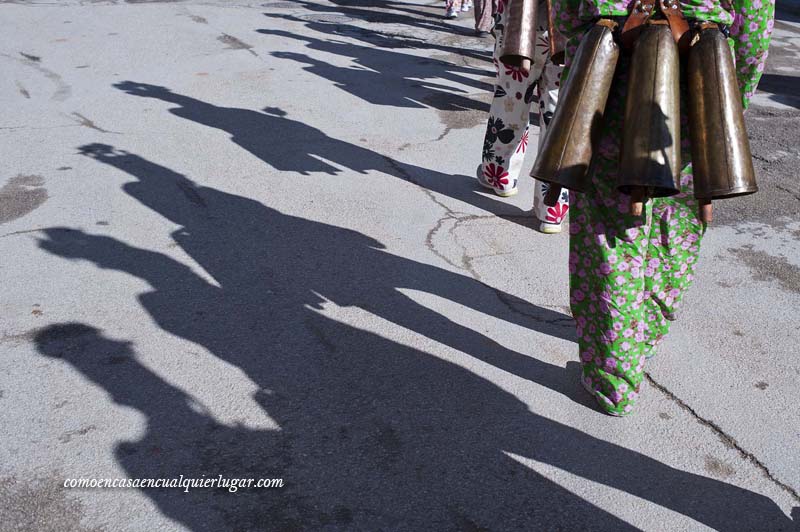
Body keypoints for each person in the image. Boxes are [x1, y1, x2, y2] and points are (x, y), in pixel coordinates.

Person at [549, 0, 774, 415]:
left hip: (612, 71)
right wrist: (733, 92)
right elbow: (755, 21)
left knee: (609, 231)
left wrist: (575, 46)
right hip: (699, 76)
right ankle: (643, 337)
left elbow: (565, 11)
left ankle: (612, 376)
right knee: (680, 224)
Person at [477, 0, 570, 234]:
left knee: (510, 101)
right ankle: (553, 206)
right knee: (558, 112)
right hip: (570, 24)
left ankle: (501, 175)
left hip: (520, 20)